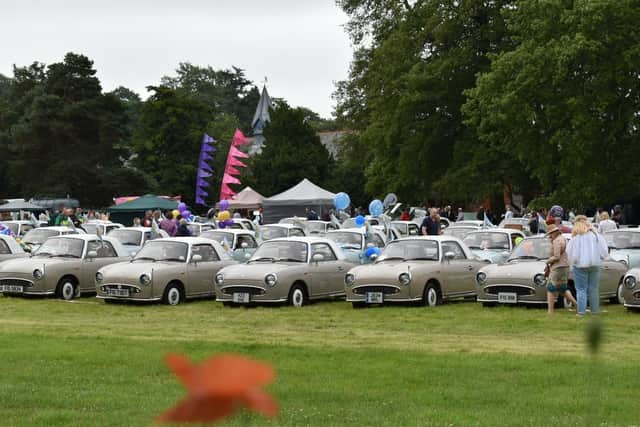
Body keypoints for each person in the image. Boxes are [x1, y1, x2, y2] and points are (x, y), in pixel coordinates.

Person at [567, 215, 608, 316]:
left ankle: (581, 312)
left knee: (581, 289)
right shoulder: (596, 235)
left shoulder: (576, 238)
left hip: (580, 266)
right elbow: (604, 252)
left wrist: (573, 262)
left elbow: (571, 254)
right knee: (594, 288)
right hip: (595, 264)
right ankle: (595, 311)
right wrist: (600, 258)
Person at [545, 224, 577, 314]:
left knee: (550, 288)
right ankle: (576, 304)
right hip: (565, 266)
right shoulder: (564, 239)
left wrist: (547, 261)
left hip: (558, 267)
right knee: (562, 288)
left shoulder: (556, 241)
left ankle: (550, 311)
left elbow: (556, 256)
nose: (550, 236)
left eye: (550, 234)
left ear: (554, 232)